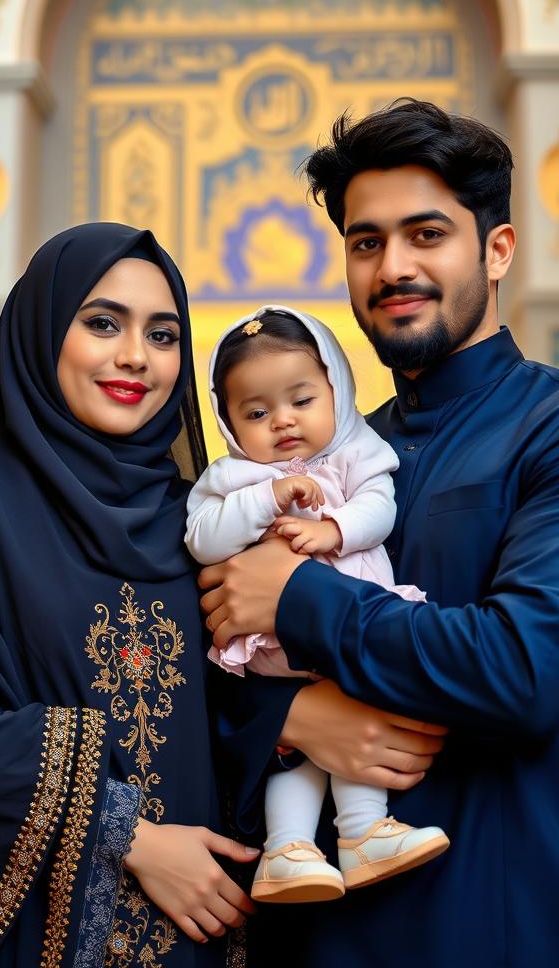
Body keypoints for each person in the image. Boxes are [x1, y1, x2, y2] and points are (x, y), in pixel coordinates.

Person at [199, 100, 559, 967]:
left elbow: (529, 673)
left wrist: (301, 595)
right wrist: (294, 710)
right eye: (366, 241)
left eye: (426, 234)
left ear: (496, 250)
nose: (393, 266)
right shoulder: (323, 461)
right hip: (325, 929)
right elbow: (218, 668)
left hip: (511, 908)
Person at [0, 224, 266, 968]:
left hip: (203, 922)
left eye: (163, 333)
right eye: (103, 322)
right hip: (53, 931)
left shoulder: (197, 518)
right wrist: (132, 837)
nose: (134, 357)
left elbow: (230, 686)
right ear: (42, 329)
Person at [185, 306, 446, 904]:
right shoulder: (232, 477)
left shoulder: (358, 453)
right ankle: (288, 845)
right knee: (294, 737)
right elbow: (203, 537)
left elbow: (381, 507)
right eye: (256, 412)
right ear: (228, 422)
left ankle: (360, 833)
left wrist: (335, 529)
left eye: (301, 400)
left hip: (351, 630)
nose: (282, 422)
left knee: (350, 714)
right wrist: (264, 498)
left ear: (337, 388)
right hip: (272, 646)